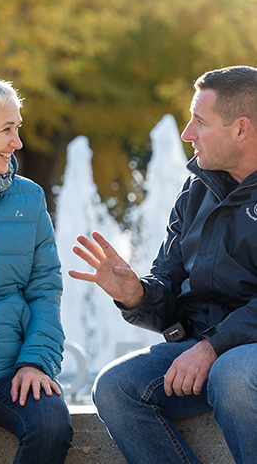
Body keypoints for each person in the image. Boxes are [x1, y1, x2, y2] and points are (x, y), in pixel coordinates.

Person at [70, 65, 257, 464]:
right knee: (114, 386)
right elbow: (170, 283)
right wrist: (137, 295)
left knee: (233, 375)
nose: (187, 133)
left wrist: (213, 348)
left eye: (200, 122)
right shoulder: (196, 187)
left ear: (241, 129)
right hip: (207, 347)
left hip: (240, 356)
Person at [0, 67, 73, 464]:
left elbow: (45, 288)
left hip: (12, 368)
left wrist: (36, 361)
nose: (18, 142)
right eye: (7, 130)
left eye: (18, 128)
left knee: (52, 422)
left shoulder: (30, 197)